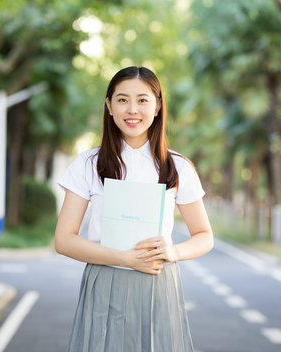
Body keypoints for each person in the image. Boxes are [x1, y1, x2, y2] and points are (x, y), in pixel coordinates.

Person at [55, 66, 214, 351]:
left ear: (157, 106)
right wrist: (125, 259)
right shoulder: (88, 164)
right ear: (109, 106)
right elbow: (64, 240)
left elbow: (204, 235)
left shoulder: (178, 167)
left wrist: (173, 251)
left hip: (157, 283)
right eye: (122, 99)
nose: (132, 109)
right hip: (104, 280)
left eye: (142, 100)